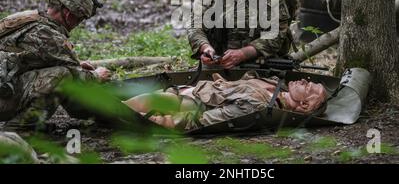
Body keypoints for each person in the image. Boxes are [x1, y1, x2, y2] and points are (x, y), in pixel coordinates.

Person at [0, 0, 111, 130]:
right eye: (79, 19)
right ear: (68, 14)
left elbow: (30, 58)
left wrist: (77, 64)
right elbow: (76, 76)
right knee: (63, 76)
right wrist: (97, 76)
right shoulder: (49, 36)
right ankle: (20, 130)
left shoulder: (25, 20)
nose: (77, 24)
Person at [122, 72, 327, 131]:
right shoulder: (276, 85)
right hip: (187, 91)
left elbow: (207, 119)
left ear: (305, 106)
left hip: (184, 102)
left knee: (118, 111)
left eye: (309, 88)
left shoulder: (260, 105)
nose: (304, 81)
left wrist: (154, 121)